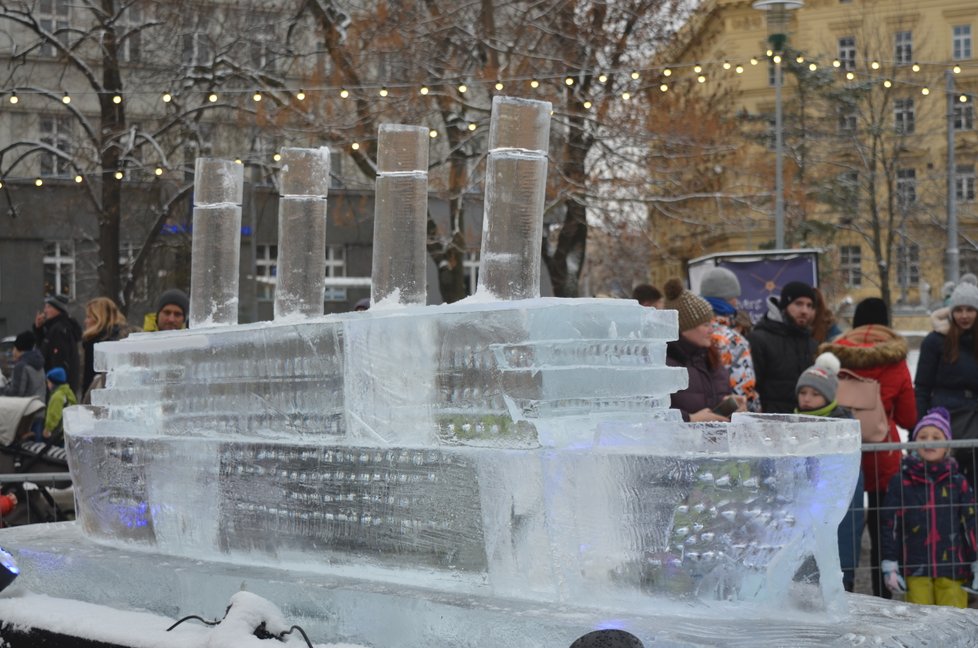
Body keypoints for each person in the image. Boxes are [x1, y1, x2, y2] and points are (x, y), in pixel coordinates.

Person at [818, 296, 917, 599]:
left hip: (839, 453)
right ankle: (880, 597)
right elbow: (907, 416)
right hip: (881, 456)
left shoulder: (835, 357)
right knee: (880, 531)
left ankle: (841, 592)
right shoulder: (895, 360)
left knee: (838, 528)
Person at [881, 407, 978, 608]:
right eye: (923, 436)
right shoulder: (901, 481)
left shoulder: (958, 482)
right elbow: (890, 525)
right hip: (915, 568)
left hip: (953, 569)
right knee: (919, 623)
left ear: (947, 446)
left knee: (953, 623)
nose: (929, 440)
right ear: (914, 444)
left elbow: (971, 524)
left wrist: (976, 561)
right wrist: (890, 563)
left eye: (936, 436)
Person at [794, 352, 864, 592]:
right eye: (803, 393)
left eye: (815, 394)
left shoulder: (842, 428)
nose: (807, 399)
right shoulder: (789, 424)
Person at [914, 281, 978, 485]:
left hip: (975, 420)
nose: (964, 315)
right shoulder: (935, 342)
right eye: (959, 310)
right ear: (951, 312)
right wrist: (920, 423)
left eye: (970, 309)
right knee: (948, 485)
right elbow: (922, 387)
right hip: (944, 421)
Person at [663, 278, 744, 422]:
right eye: (706, 325)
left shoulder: (710, 358)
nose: (711, 330)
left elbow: (711, 405)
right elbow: (649, 414)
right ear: (683, 328)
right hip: (680, 442)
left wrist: (729, 404)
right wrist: (689, 419)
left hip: (714, 442)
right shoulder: (663, 364)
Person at [747, 281, 818, 413]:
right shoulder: (758, 340)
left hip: (806, 423)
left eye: (809, 306)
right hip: (769, 424)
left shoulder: (812, 344)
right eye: (798, 304)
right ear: (784, 306)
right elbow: (750, 388)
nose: (804, 311)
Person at [699, 267, 760, 412]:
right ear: (729, 300)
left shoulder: (689, 333)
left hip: (694, 417)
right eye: (735, 297)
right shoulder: (734, 341)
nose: (737, 302)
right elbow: (744, 389)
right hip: (726, 418)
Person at [81, 297, 134, 397]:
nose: (85, 321)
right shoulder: (124, 339)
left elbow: (89, 381)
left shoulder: (94, 343)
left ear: (99, 319)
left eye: (89, 317)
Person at [32, 294, 82, 397]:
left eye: (48, 307)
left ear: (58, 309)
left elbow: (59, 361)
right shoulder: (53, 328)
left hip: (58, 389)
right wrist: (39, 329)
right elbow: (44, 349)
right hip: (56, 386)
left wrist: (55, 384)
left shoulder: (59, 330)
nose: (45, 311)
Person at [0, 331, 45, 400]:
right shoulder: (39, 363)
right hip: (39, 405)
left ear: (19, 348)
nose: (12, 352)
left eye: (14, 348)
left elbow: (16, 393)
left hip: (26, 408)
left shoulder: (21, 366)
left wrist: (2, 390)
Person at [42, 367, 76, 445]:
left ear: (53, 382)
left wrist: (48, 428)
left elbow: (54, 414)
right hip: (68, 430)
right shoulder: (69, 392)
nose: (48, 385)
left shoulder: (57, 396)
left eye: (48, 382)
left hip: (58, 432)